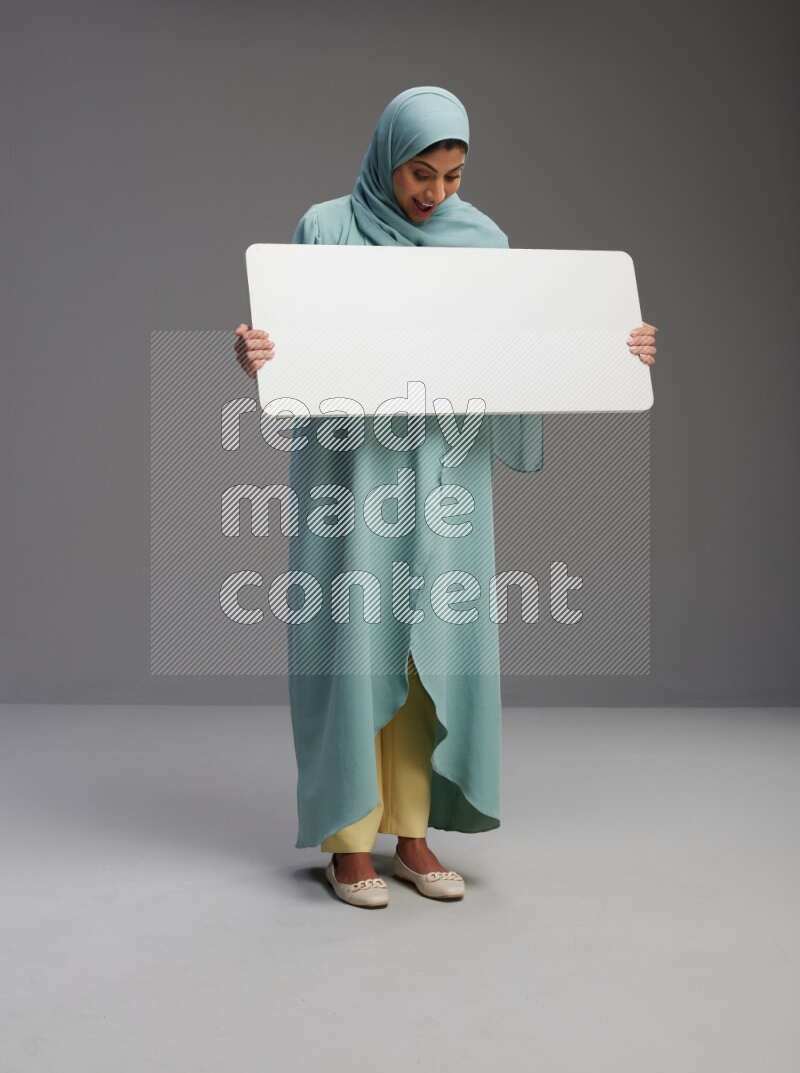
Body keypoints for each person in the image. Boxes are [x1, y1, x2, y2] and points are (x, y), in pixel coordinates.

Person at [234, 87, 658, 909]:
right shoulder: (326, 229)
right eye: (419, 173)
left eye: (453, 177)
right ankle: (349, 841)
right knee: (356, 639)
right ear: (386, 158)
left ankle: (413, 833)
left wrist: (617, 344)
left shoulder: (483, 240)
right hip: (352, 472)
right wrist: (251, 350)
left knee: (434, 645)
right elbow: (284, 342)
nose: (435, 194)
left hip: (447, 471)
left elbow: (527, 350)